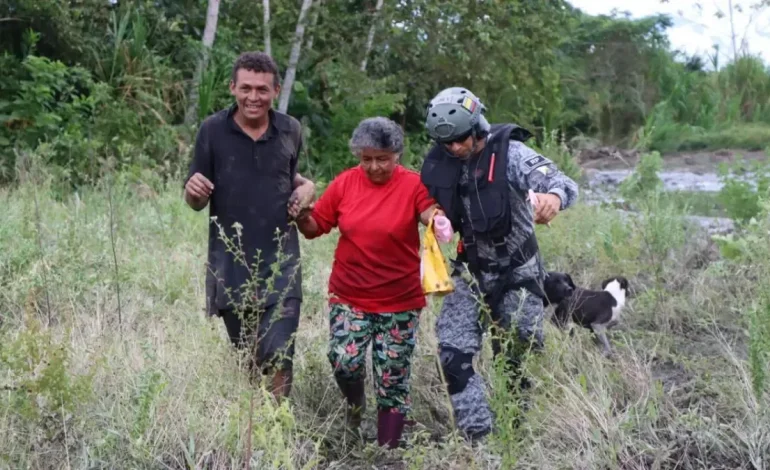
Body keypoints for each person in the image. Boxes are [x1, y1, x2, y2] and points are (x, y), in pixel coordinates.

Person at [419, 87, 579, 441]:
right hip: (470, 271)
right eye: (447, 143)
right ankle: (478, 436)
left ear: (476, 127)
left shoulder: (511, 154)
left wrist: (553, 197)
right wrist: (432, 216)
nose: (455, 149)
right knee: (452, 354)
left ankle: (514, 428)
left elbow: (561, 181)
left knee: (516, 353)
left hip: (518, 270)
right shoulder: (441, 159)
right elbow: (419, 198)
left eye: (461, 140)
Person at [292, 117, 440, 449]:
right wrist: (301, 214)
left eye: (382, 159)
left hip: (399, 301)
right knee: (345, 360)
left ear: (397, 155)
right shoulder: (345, 184)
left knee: (392, 377)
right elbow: (317, 226)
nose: (373, 166)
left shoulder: (413, 185)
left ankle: (388, 449)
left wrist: (438, 221)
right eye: (366, 159)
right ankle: (355, 408)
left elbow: (429, 213)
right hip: (349, 296)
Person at [183, 51, 316, 401]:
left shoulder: (290, 129)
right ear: (232, 88)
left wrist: (306, 188)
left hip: (281, 260)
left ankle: (280, 425)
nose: (253, 97)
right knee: (250, 357)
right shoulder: (212, 130)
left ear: (275, 91)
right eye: (245, 88)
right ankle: (254, 430)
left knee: (280, 352)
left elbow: (289, 178)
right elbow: (196, 199)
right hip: (231, 262)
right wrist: (193, 191)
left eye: (261, 89)